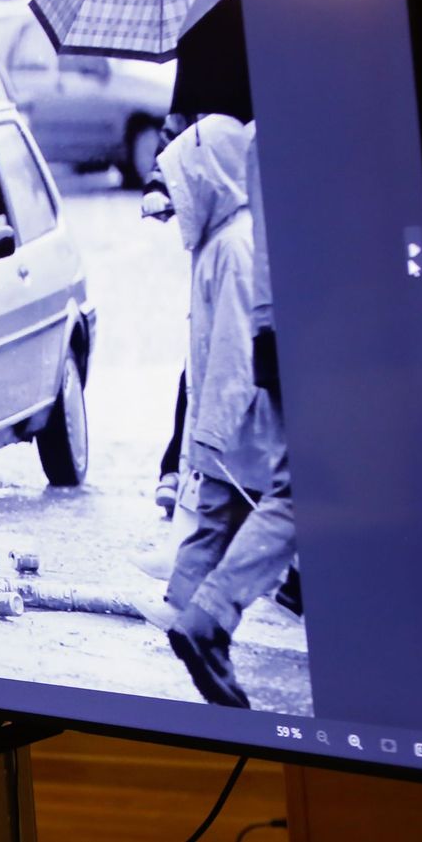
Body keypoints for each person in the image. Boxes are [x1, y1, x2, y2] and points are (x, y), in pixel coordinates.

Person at [152, 117, 293, 708]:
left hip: (233, 432)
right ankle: (188, 629)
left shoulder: (230, 245)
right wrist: (204, 437)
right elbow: (229, 352)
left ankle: (183, 627)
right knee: (233, 523)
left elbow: (230, 353)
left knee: (215, 528)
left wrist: (204, 435)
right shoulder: (230, 244)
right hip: (237, 437)